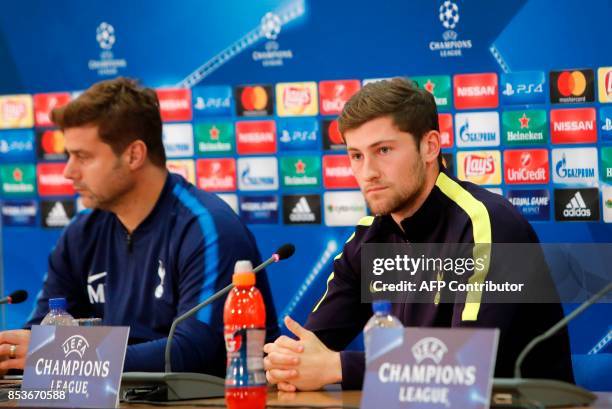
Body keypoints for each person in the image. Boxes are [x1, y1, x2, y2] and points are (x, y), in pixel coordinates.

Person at [263, 78, 574, 391]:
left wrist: (339, 367)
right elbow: (310, 348)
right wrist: (287, 363)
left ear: (430, 147)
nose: (368, 172)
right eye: (356, 155)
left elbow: (469, 360)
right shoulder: (368, 239)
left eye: (383, 150)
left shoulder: (487, 225)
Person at [0, 77, 279, 376]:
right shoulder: (81, 234)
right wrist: (13, 354)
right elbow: (39, 338)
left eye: (83, 156)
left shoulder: (207, 228)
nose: (68, 172)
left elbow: (191, 351)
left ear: (134, 155)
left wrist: (67, 356)